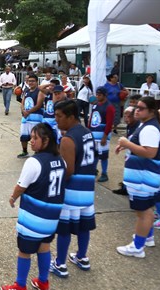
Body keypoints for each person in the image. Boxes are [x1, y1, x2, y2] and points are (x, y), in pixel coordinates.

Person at [1, 123, 66, 290]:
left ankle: (20, 286)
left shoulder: (34, 162)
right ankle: (43, 282)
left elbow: (21, 186)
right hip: (52, 218)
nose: (31, 141)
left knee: (24, 250)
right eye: (31, 137)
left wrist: (13, 197)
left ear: (45, 141)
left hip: (33, 217)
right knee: (44, 247)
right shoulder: (61, 160)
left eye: (35, 138)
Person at [49, 100, 97, 278]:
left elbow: (68, 170)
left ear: (71, 117)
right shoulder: (87, 133)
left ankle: (60, 263)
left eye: (59, 116)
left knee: (64, 229)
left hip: (72, 190)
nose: (56, 120)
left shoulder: (68, 139)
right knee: (84, 225)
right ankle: (82, 257)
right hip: (87, 187)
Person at [115, 97, 160, 258]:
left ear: (151, 111)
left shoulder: (149, 128)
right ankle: (147, 237)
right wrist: (126, 144)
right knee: (145, 209)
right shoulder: (146, 125)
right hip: (144, 175)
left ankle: (137, 247)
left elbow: (150, 152)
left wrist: (127, 143)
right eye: (136, 106)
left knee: (143, 212)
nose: (137, 110)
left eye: (141, 108)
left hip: (144, 176)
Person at [89, 86, 115, 183]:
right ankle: (94, 169)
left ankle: (104, 173)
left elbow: (109, 123)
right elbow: (91, 119)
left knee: (103, 155)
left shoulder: (109, 107)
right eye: (97, 94)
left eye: (100, 95)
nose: (98, 96)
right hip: (94, 134)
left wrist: (105, 136)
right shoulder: (96, 105)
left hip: (102, 135)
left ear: (105, 95)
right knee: (95, 154)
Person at [112, 106, 139, 196]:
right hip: (130, 152)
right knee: (128, 171)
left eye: (129, 117)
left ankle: (130, 189)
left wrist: (127, 146)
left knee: (133, 172)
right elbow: (129, 140)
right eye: (125, 117)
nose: (126, 119)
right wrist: (122, 146)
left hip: (137, 154)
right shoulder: (130, 125)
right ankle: (125, 188)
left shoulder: (138, 126)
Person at [17, 73, 43, 158]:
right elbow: (22, 102)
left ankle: (37, 152)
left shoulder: (39, 92)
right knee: (23, 135)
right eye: (29, 81)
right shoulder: (26, 91)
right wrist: (23, 110)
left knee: (36, 136)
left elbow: (39, 105)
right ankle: (25, 151)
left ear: (36, 82)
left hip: (36, 118)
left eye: (33, 81)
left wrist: (28, 112)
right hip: (26, 118)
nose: (31, 83)